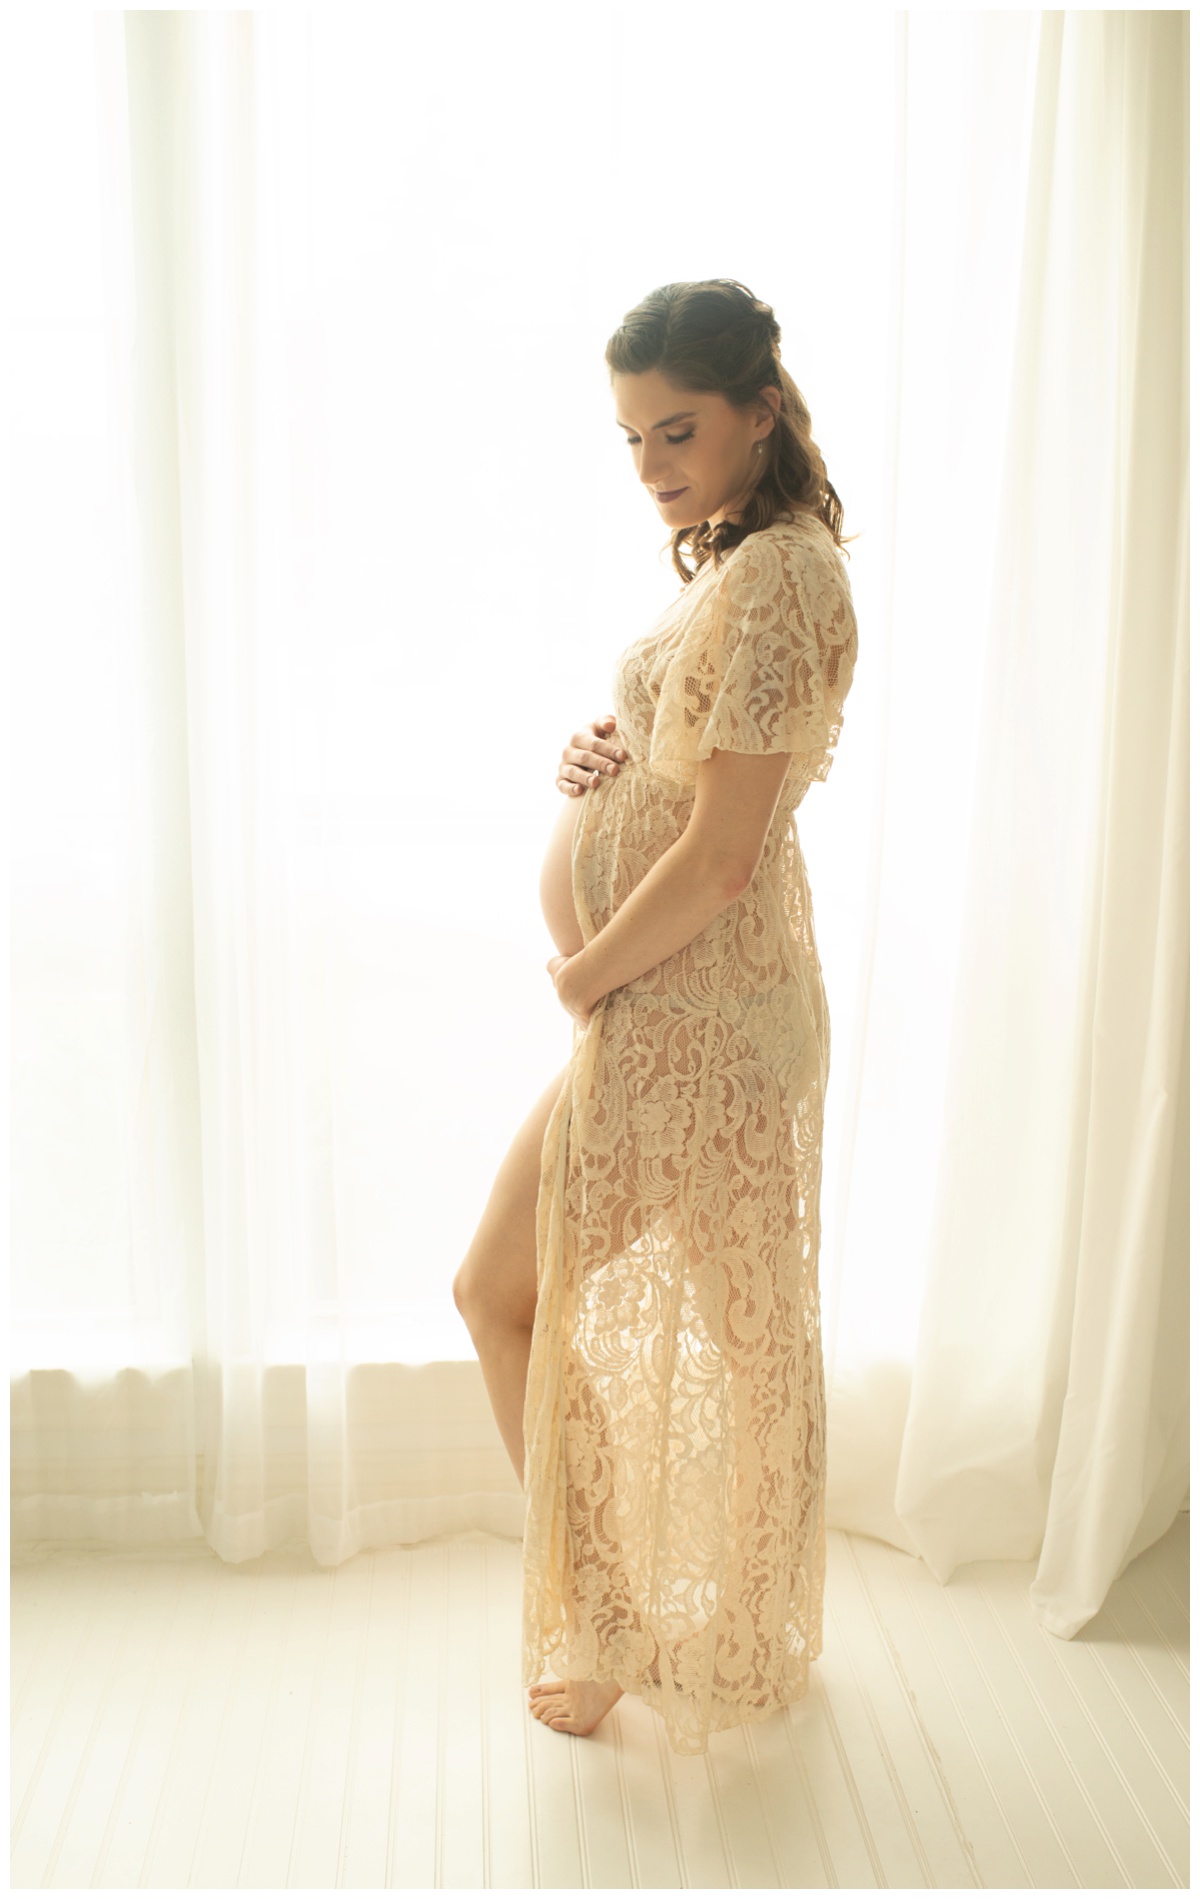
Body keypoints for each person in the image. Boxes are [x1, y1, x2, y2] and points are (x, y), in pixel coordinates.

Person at [453, 278, 859, 1756]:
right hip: (684, 1011)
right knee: (567, 1302)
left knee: (581, 1305)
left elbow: (725, 851)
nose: (651, 469)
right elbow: (699, 773)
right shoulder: (741, 568)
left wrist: (585, 973)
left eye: (675, 431)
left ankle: (675, 1626)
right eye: (630, 441)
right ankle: (636, 1613)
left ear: (760, 405)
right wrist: (611, 746)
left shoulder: (787, 576)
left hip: (701, 1017)